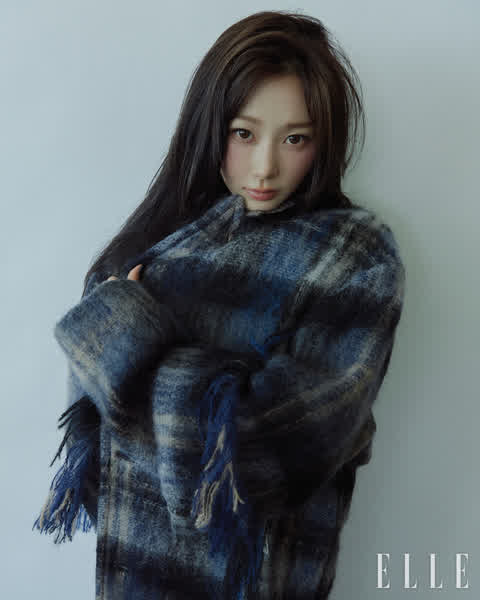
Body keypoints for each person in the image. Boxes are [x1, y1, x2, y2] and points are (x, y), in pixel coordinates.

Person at [33, 10, 405, 600]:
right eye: (243, 133)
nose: (265, 167)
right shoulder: (154, 241)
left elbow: (261, 458)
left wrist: (125, 341)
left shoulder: (353, 259)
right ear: (208, 126)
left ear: (324, 140)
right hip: (132, 577)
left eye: (296, 138)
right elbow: (102, 453)